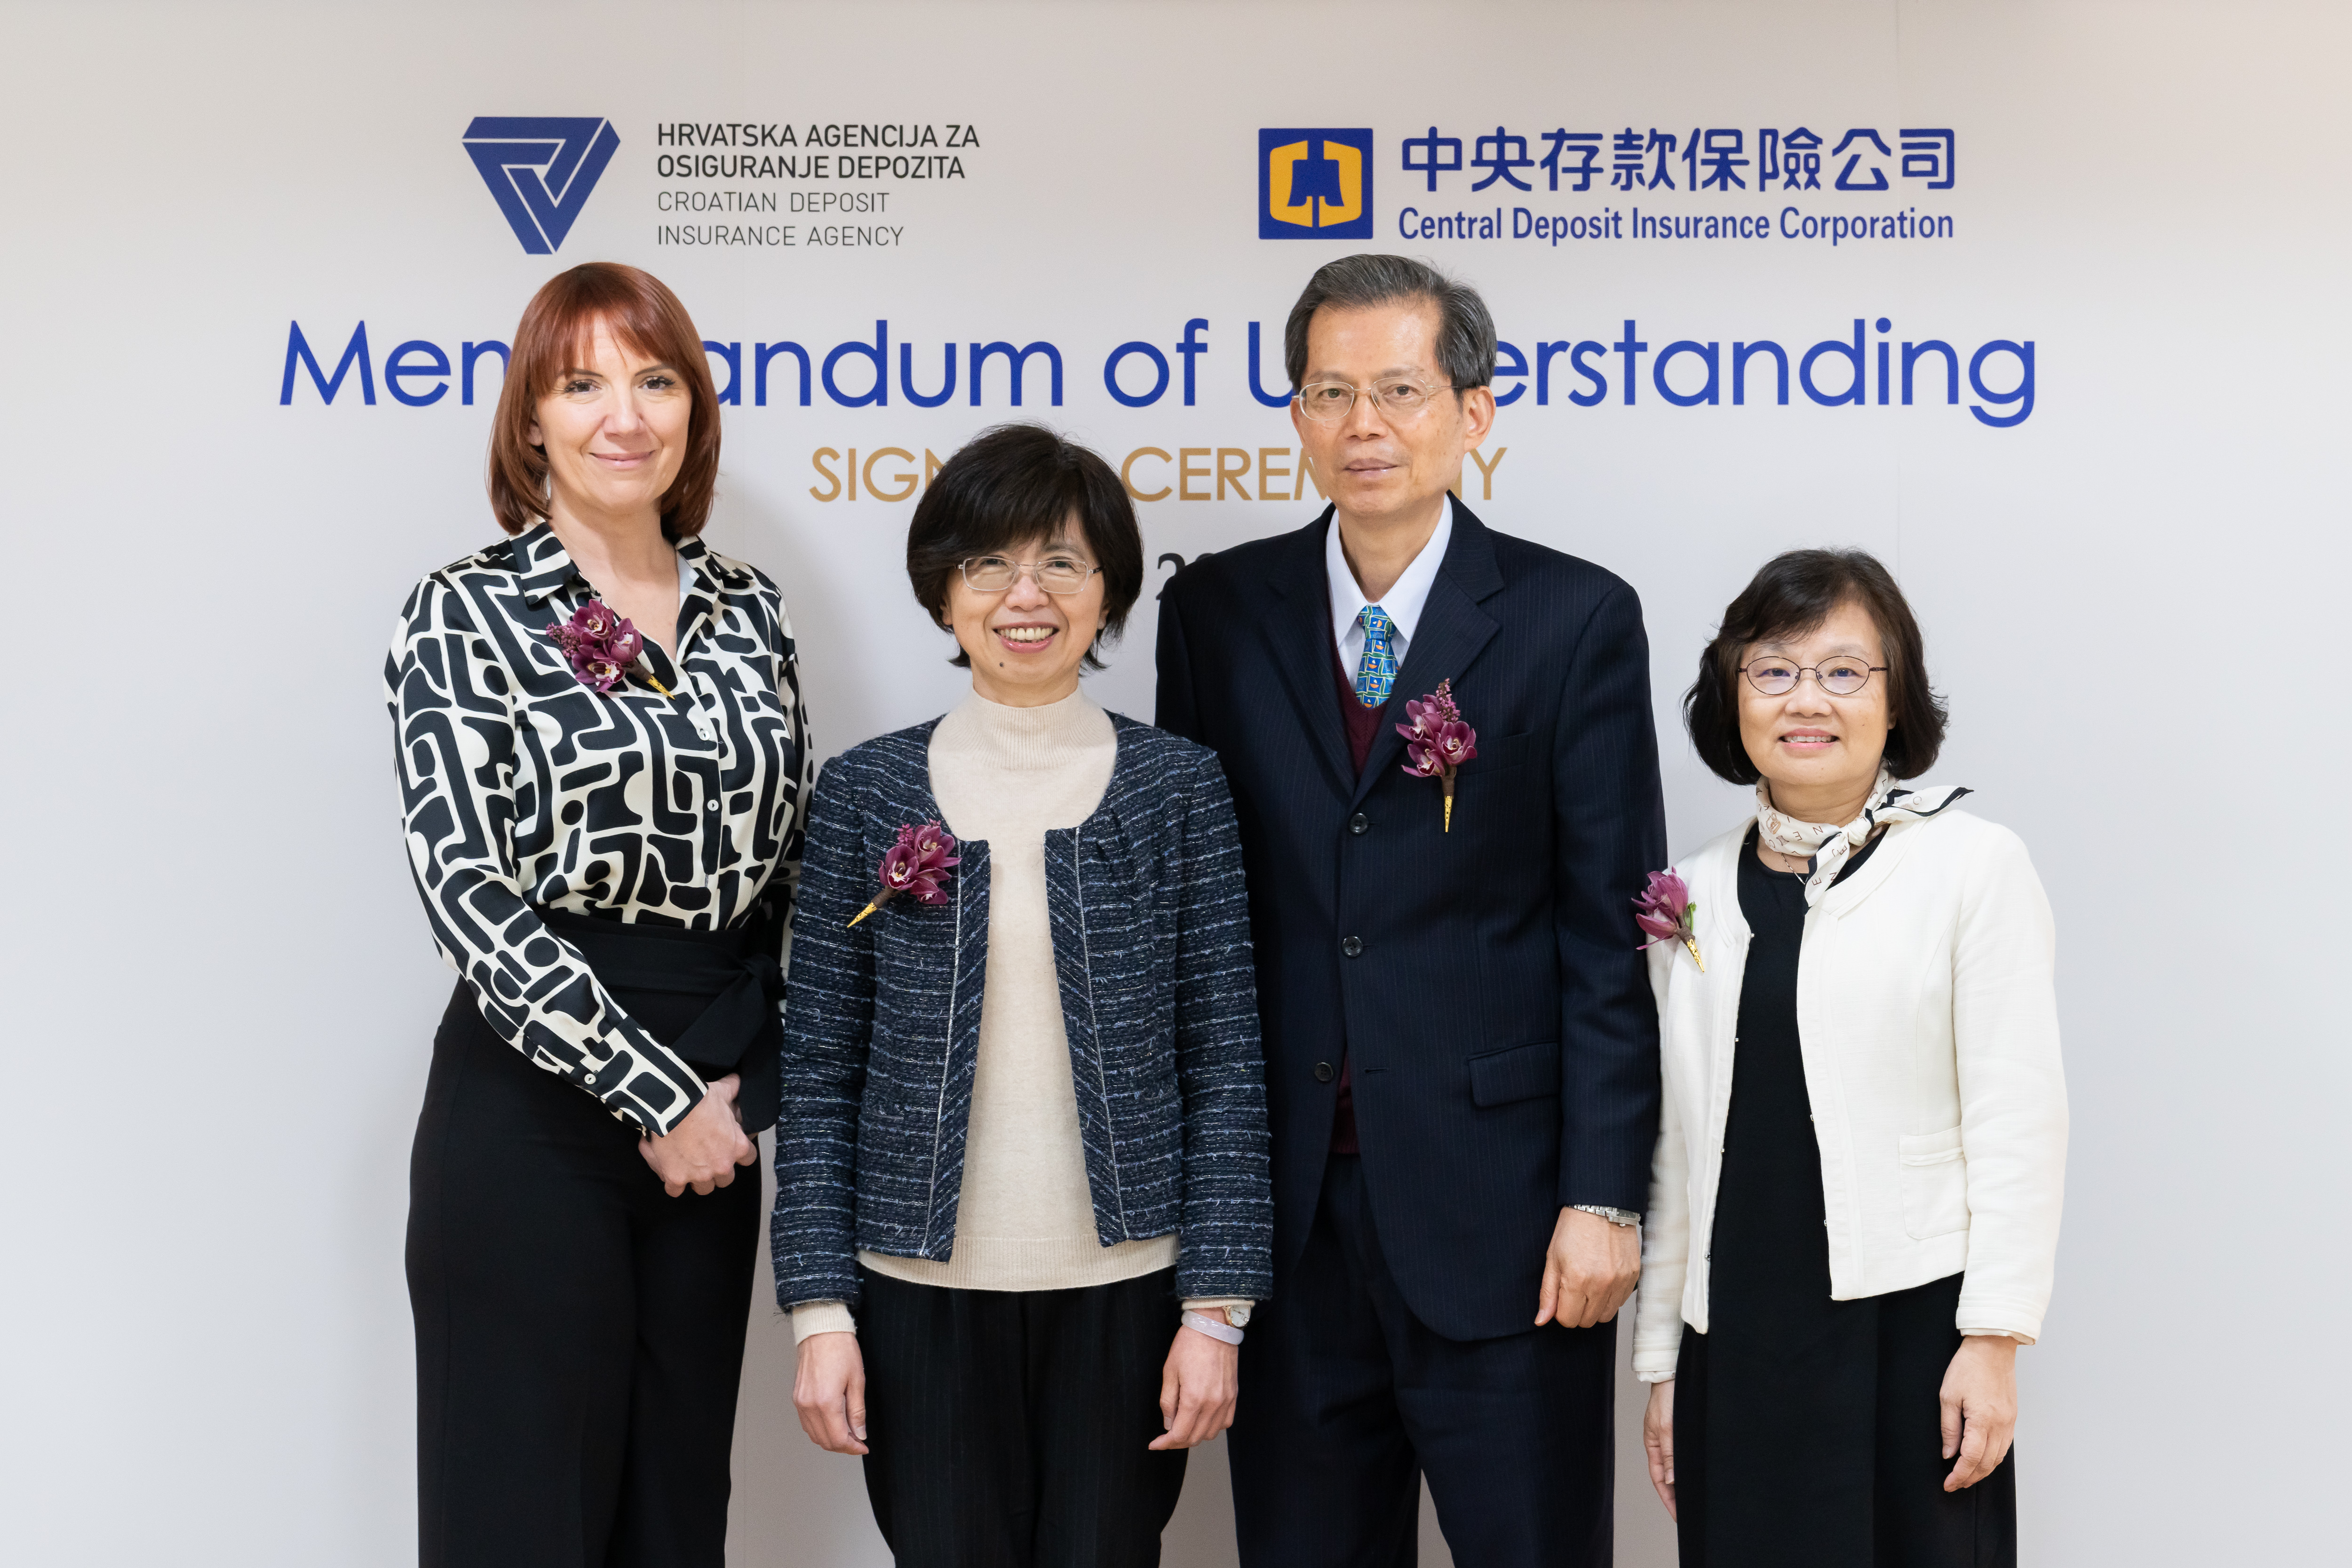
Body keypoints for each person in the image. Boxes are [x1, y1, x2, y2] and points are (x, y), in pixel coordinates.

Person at [1157, 255, 1667, 1567]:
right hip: (1288, 1215)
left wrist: (1605, 1196)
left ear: (1474, 408)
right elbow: (1206, 923)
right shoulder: (1215, 612)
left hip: (1507, 1217)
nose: (1363, 426)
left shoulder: (1573, 617)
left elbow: (1609, 929)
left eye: (1398, 389)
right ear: (1297, 416)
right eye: (1331, 393)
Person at [772, 423, 1273, 1568]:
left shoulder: (1178, 786)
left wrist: (1216, 1312)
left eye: (1063, 560)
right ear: (942, 591)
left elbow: (1227, 1055)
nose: (1024, 594)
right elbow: (818, 1072)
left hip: (1129, 1290)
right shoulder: (866, 791)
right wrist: (819, 1310)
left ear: (1109, 591)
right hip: (913, 1294)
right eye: (988, 562)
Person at [387, 262, 812, 1568]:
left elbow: (787, 876)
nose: (623, 413)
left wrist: (746, 1089)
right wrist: (655, 1094)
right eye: (582, 383)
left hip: (716, 1127)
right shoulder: (466, 607)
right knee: (522, 1520)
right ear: (531, 421)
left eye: (654, 377)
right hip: (534, 1113)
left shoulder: (750, 610)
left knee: (675, 1517)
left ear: (692, 408)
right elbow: (468, 890)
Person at [1633, 549, 2067, 1566]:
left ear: (1895, 694)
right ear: (1731, 693)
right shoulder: (1686, 893)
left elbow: (2018, 1114)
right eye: (1773, 669)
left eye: (1842, 671)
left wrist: (1993, 1338)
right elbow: (1674, 1147)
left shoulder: (1971, 864)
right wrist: (1663, 1360)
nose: (1805, 700)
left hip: (1910, 1332)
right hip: (1733, 1338)